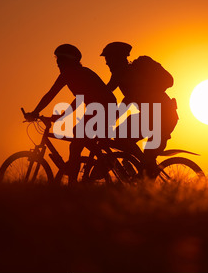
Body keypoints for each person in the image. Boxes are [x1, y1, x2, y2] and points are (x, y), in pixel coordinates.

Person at [25, 44, 116, 184]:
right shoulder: (68, 75)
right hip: (98, 109)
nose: (57, 63)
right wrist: (61, 116)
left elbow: (53, 96)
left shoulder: (79, 73)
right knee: (76, 142)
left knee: (76, 141)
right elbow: (71, 98)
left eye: (60, 60)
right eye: (57, 60)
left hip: (105, 108)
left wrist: (36, 112)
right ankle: (82, 174)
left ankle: (104, 162)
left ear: (69, 61)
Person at [100, 42, 179, 176]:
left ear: (117, 58)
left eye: (108, 59)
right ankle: (140, 168)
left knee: (143, 152)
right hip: (151, 116)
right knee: (120, 135)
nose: (107, 64)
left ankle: (144, 166)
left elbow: (123, 100)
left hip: (163, 117)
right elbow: (104, 94)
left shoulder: (131, 73)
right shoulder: (120, 75)